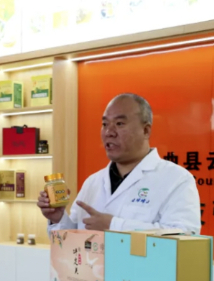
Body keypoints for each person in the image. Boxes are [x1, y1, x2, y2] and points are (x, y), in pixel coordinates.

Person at [39, 93, 201, 233]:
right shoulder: (93, 182)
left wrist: (114, 226)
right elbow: (74, 238)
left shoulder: (176, 179)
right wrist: (58, 218)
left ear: (145, 130)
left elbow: (184, 236)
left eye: (119, 124)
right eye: (105, 124)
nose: (109, 132)